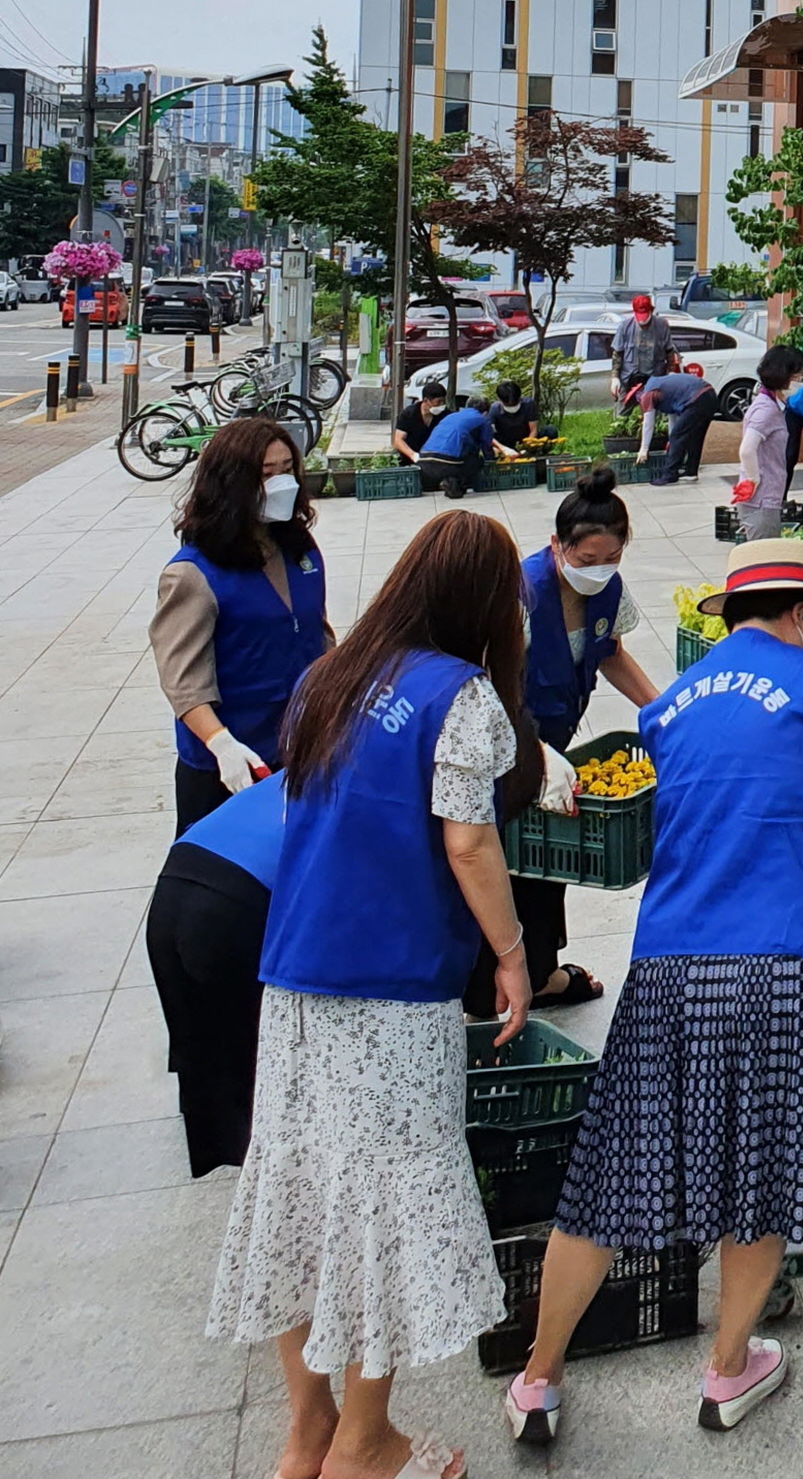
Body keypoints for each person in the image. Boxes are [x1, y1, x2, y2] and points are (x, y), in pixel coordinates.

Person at [503, 541, 803, 1444]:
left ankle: (538, 1378)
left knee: (610, 1176)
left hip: (670, 962)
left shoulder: (670, 704)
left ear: (731, 617)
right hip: (783, 959)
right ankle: (728, 1370)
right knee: (757, 1172)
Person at [210, 509, 558, 1479]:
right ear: (487, 603)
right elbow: (469, 840)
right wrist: (514, 952)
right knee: (383, 1203)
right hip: (393, 987)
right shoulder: (464, 696)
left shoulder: (328, 678)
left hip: (295, 978)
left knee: (297, 1186)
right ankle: (366, 1446)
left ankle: (306, 1432)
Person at [465, 467, 665, 1018]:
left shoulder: (608, 590)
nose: (600, 571)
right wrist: (533, 750)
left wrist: (661, 709)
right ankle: (491, 985)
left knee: (553, 856)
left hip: (555, 744)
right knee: (508, 859)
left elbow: (610, 654)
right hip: (504, 742)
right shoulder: (522, 594)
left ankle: (542, 970)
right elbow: (488, 684)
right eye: (586, 560)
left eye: (611, 559)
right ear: (558, 547)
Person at [153, 417, 333, 833]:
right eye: (267, 474)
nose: (280, 483)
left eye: (287, 469)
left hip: (298, 748)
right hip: (231, 763)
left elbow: (317, 634)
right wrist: (221, 744)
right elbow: (184, 681)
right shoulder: (193, 575)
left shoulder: (300, 551)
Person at [147, 772, 286, 1176]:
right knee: (266, 1063)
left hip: (173, 885)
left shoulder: (303, 769)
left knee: (209, 1051)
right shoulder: (375, 796)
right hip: (232, 908)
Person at [734, 344, 803, 541]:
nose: (800, 380)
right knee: (764, 560)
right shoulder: (766, 410)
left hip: (764, 498)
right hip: (761, 499)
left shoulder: (772, 406)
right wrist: (754, 480)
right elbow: (746, 450)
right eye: (797, 375)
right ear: (783, 375)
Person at [419, 395, 520, 498]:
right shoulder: (482, 420)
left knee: (465, 455)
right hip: (446, 462)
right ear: (485, 412)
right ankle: (455, 485)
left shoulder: (451, 416)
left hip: (424, 459)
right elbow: (486, 445)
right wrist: (491, 462)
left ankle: (450, 482)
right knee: (476, 460)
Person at [634, 367, 721, 484]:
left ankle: (669, 474)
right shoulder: (662, 384)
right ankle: (691, 472)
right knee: (695, 437)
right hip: (710, 396)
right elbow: (673, 416)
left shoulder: (648, 392)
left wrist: (644, 449)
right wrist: (671, 439)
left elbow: (648, 424)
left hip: (697, 399)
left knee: (678, 436)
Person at [611, 292, 673, 393]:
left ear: (651, 311)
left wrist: (671, 372)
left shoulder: (662, 326)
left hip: (655, 379)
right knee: (622, 407)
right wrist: (615, 377)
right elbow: (617, 353)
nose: (642, 321)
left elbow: (669, 351)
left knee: (654, 407)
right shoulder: (624, 327)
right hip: (629, 379)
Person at [391, 385, 448, 466]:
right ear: (426, 400)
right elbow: (398, 440)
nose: (441, 405)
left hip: (433, 459)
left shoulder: (445, 415)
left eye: (443, 402)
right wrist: (413, 455)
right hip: (408, 458)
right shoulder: (409, 414)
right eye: (438, 402)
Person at [489, 380, 539, 450]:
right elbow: (489, 434)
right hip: (504, 442)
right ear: (499, 399)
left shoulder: (529, 404)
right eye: (507, 404)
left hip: (525, 438)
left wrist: (525, 447)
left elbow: (533, 430)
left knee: (549, 431)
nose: (511, 405)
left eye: (514, 404)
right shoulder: (494, 409)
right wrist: (503, 449)